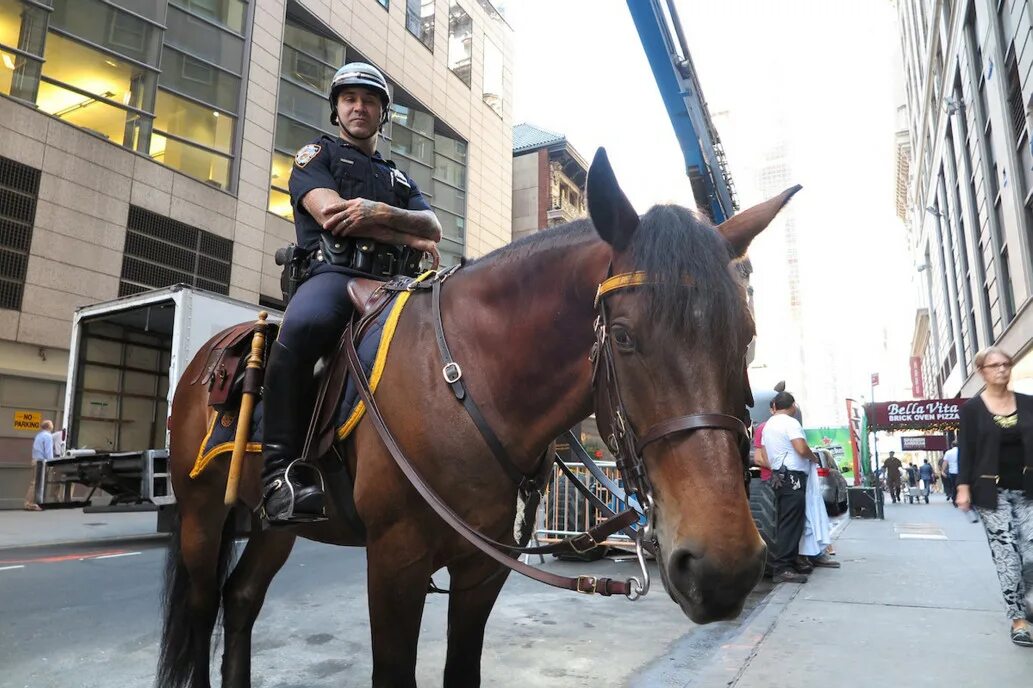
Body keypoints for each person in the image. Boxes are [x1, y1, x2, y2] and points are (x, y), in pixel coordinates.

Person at [261, 62, 442, 524]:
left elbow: (434, 227)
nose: (359, 107)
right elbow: (332, 215)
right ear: (336, 109)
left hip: (395, 287)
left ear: (383, 114)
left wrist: (379, 210)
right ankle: (280, 474)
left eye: (369, 101)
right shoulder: (314, 155)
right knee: (302, 330)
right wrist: (406, 234)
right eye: (349, 99)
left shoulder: (398, 180)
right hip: (333, 277)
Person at [956, 346, 1033, 647]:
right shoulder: (972, 410)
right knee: (1007, 556)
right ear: (981, 372)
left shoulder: (1028, 404)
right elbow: (967, 451)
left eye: (1006, 363)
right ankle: (1019, 620)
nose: (1002, 369)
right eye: (994, 366)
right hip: (992, 493)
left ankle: (1028, 602)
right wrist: (963, 487)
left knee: (1030, 553)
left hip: (1028, 490)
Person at [762, 391, 819, 584]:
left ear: (775, 406)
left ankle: (789, 562)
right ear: (793, 405)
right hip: (793, 477)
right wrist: (813, 458)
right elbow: (801, 448)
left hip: (779, 476)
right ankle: (783, 568)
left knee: (784, 521)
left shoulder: (768, 425)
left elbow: (763, 455)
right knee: (791, 523)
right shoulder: (791, 423)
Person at [23, 419, 55, 511]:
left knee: (36, 482)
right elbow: (48, 451)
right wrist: (51, 463)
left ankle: (33, 503)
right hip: (41, 461)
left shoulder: (39, 435)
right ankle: (29, 503)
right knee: (37, 483)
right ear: (49, 426)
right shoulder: (48, 436)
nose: (53, 426)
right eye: (52, 424)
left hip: (35, 460)